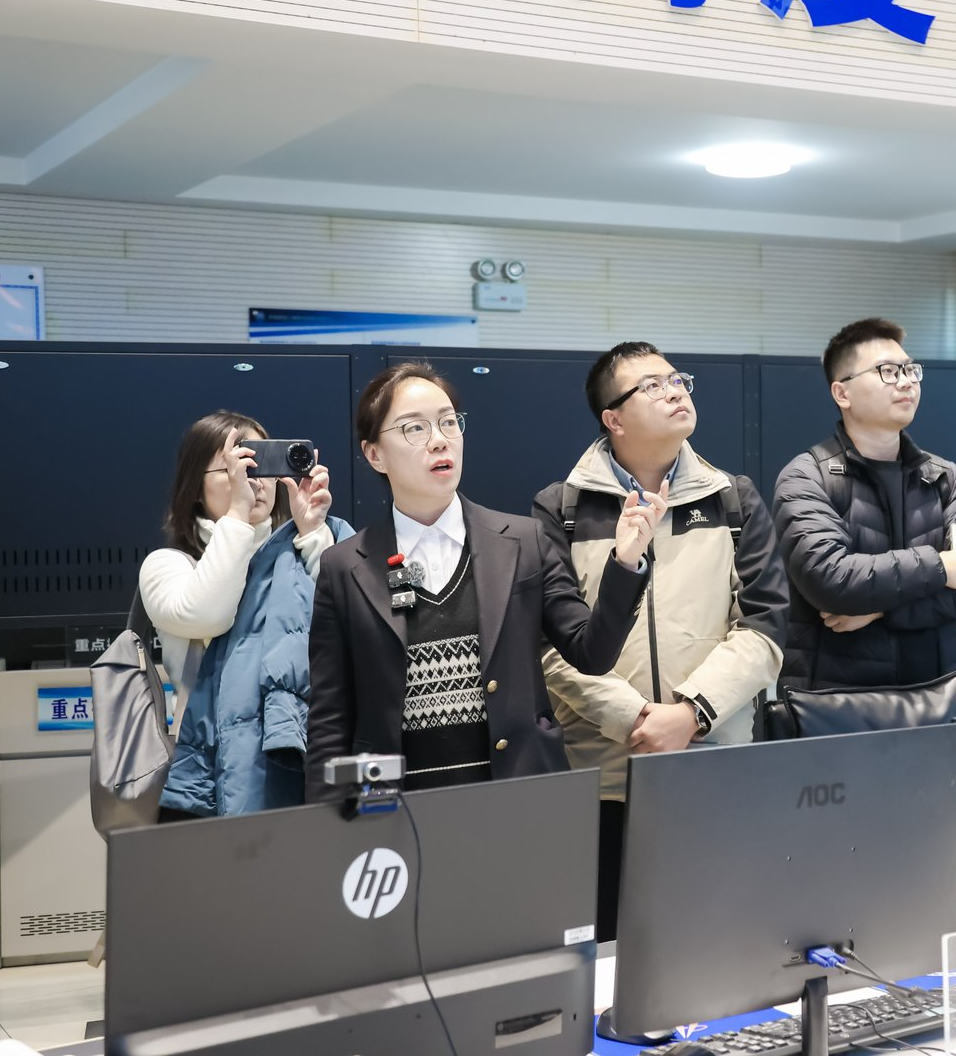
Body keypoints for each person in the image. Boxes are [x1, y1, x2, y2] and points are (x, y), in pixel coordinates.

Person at [304, 363, 660, 803]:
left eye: (448, 422)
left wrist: (625, 561)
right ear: (374, 454)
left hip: (516, 799)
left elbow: (592, 653)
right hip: (397, 809)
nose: (440, 439)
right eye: (414, 428)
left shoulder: (523, 541)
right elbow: (330, 718)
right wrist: (327, 821)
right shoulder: (344, 567)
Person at [536, 341, 789, 940]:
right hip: (604, 776)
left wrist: (691, 714)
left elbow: (765, 626)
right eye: (651, 385)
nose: (675, 391)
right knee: (609, 950)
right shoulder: (562, 509)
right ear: (614, 419)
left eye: (677, 380)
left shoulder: (731, 498)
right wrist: (635, 720)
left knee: (720, 941)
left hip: (714, 767)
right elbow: (550, 645)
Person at [139, 410, 352, 817]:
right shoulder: (168, 566)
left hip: (307, 748)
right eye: (237, 467)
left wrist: (311, 533)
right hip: (208, 767)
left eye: (261, 465)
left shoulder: (302, 548)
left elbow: (349, 614)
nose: (253, 481)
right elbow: (211, 613)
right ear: (195, 487)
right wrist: (237, 517)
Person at [772, 317, 956, 699]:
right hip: (838, 704)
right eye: (887, 372)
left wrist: (880, 610)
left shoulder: (945, 478)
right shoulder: (806, 477)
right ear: (842, 393)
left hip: (939, 697)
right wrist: (942, 567)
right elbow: (832, 580)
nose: (906, 382)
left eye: (910, 370)